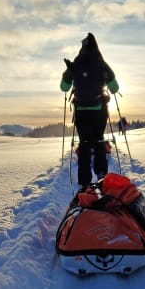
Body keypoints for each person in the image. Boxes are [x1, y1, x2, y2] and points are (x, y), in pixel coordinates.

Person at [60, 33, 119, 186]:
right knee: (99, 140)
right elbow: (114, 88)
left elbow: (64, 87)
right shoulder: (101, 64)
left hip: (81, 111)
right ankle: (101, 178)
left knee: (84, 143)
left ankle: (84, 183)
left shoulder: (76, 64)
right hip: (99, 111)